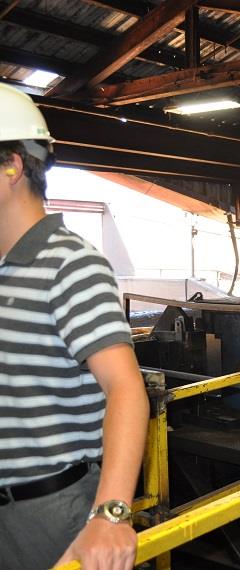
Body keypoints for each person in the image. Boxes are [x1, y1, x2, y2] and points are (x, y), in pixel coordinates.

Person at [0, 83, 149, 570]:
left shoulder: (71, 263)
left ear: (12, 166)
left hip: (47, 514)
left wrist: (111, 515)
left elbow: (126, 389)